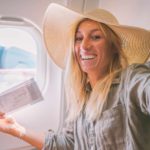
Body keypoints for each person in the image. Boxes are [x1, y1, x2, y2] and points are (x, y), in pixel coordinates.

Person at [0, 3, 150, 150]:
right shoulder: (81, 98)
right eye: (78, 38)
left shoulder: (131, 79)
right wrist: (15, 129)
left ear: (114, 47)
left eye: (96, 37)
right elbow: (67, 144)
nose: (84, 46)